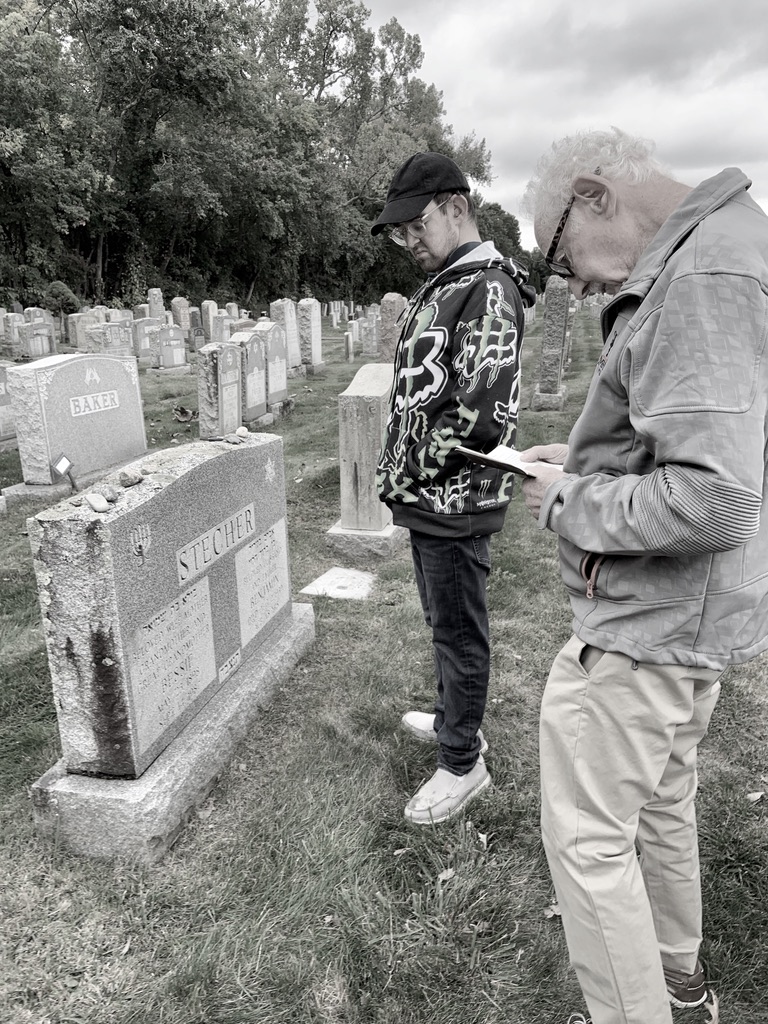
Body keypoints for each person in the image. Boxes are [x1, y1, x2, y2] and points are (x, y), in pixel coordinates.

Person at [519, 126, 768, 1024]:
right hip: (694, 626)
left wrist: (567, 503)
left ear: (594, 195)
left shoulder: (699, 279)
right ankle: (678, 983)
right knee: (662, 802)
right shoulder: (734, 239)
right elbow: (706, 450)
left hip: (647, 626)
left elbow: (712, 502)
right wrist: (583, 467)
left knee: (588, 840)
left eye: (564, 260)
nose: (577, 285)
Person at [371, 152, 535, 825]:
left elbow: (484, 412)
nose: (409, 242)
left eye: (415, 225)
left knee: (460, 635)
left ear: (454, 206)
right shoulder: (449, 278)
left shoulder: (488, 286)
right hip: (426, 499)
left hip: (456, 501)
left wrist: (412, 468)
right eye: (399, 232)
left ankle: (462, 764)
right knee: (444, 623)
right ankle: (454, 722)